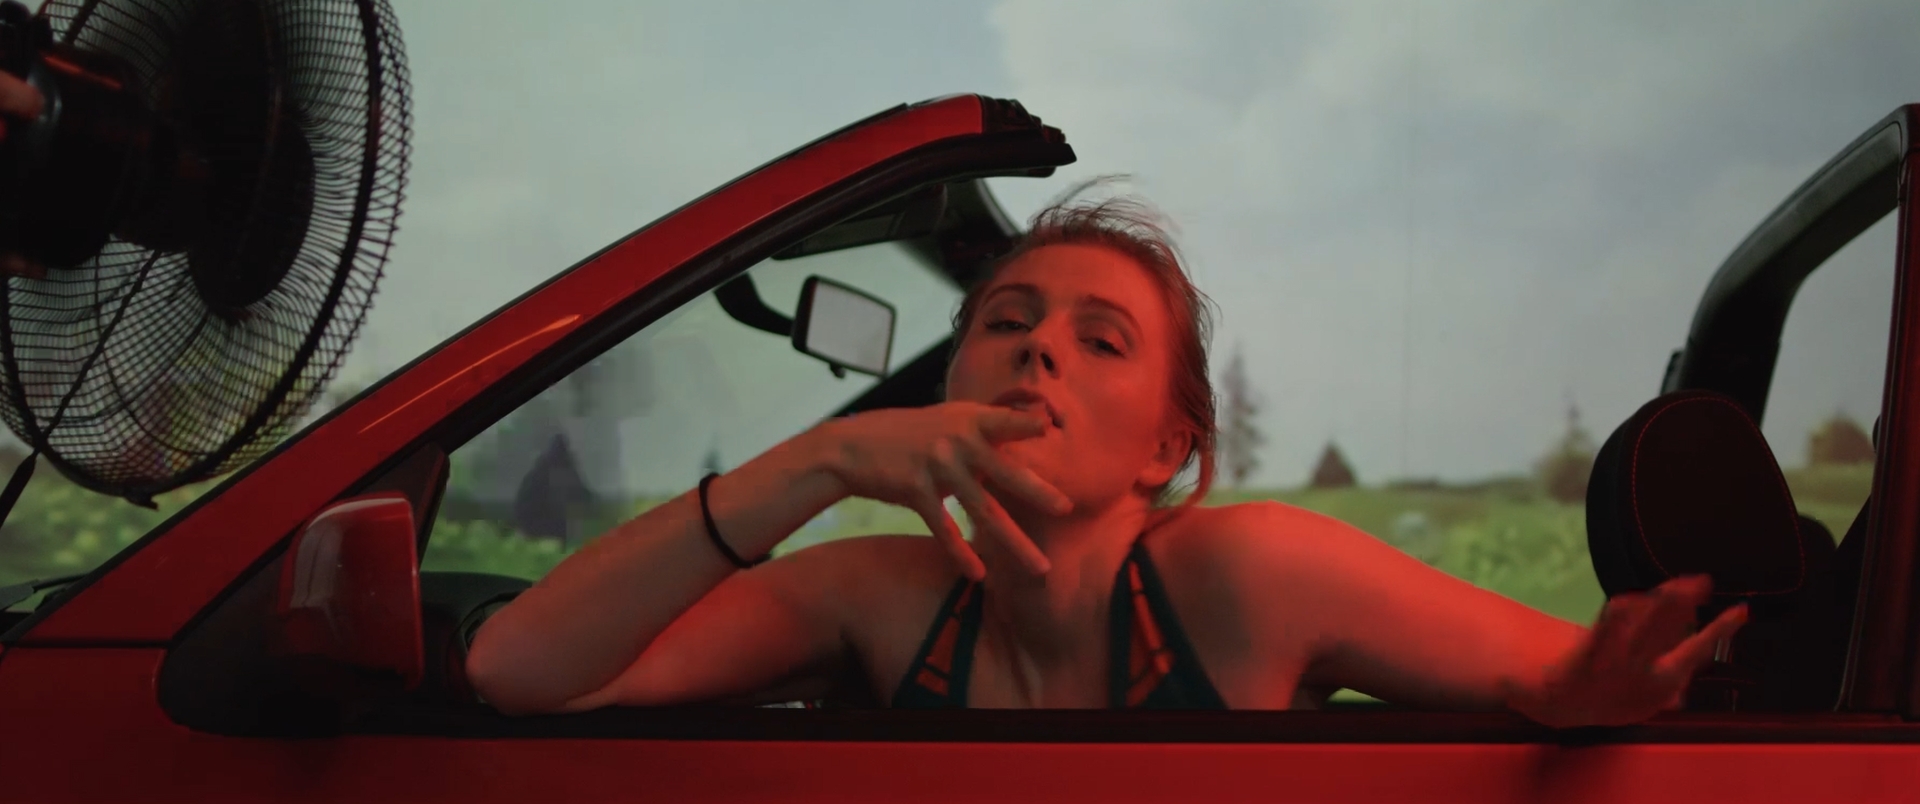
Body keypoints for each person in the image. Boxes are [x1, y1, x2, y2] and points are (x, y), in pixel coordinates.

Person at [466, 184, 1748, 726]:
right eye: (1005, 326)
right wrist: (818, 464)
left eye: (1101, 340)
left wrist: (1592, 695)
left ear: (1167, 447)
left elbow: (1587, 680)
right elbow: (520, 671)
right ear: (948, 388)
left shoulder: (1253, 572)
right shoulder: (875, 594)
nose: (1039, 352)